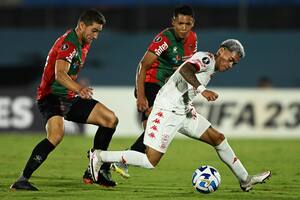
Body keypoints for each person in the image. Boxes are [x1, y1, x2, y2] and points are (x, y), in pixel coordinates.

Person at [89, 39, 271, 192]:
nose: (230, 65)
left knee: (218, 138)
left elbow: (181, 79)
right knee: (150, 161)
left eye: (234, 63)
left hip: (182, 111)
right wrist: (203, 91)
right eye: (230, 59)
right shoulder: (206, 59)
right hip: (166, 111)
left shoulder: (211, 66)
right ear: (221, 51)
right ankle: (99, 156)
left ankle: (245, 180)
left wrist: (188, 102)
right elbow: (186, 71)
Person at [10, 9, 118, 191]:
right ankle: (22, 179)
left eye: (98, 32)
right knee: (56, 135)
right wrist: (79, 88)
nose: (96, 36)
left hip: (68, 96)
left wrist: (75, 88)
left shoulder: (83, 41)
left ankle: (95, 171)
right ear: (82, 26)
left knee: (110, 120)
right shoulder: (69, 44)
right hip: (50, 96)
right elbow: (60, 75)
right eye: (94, 30)